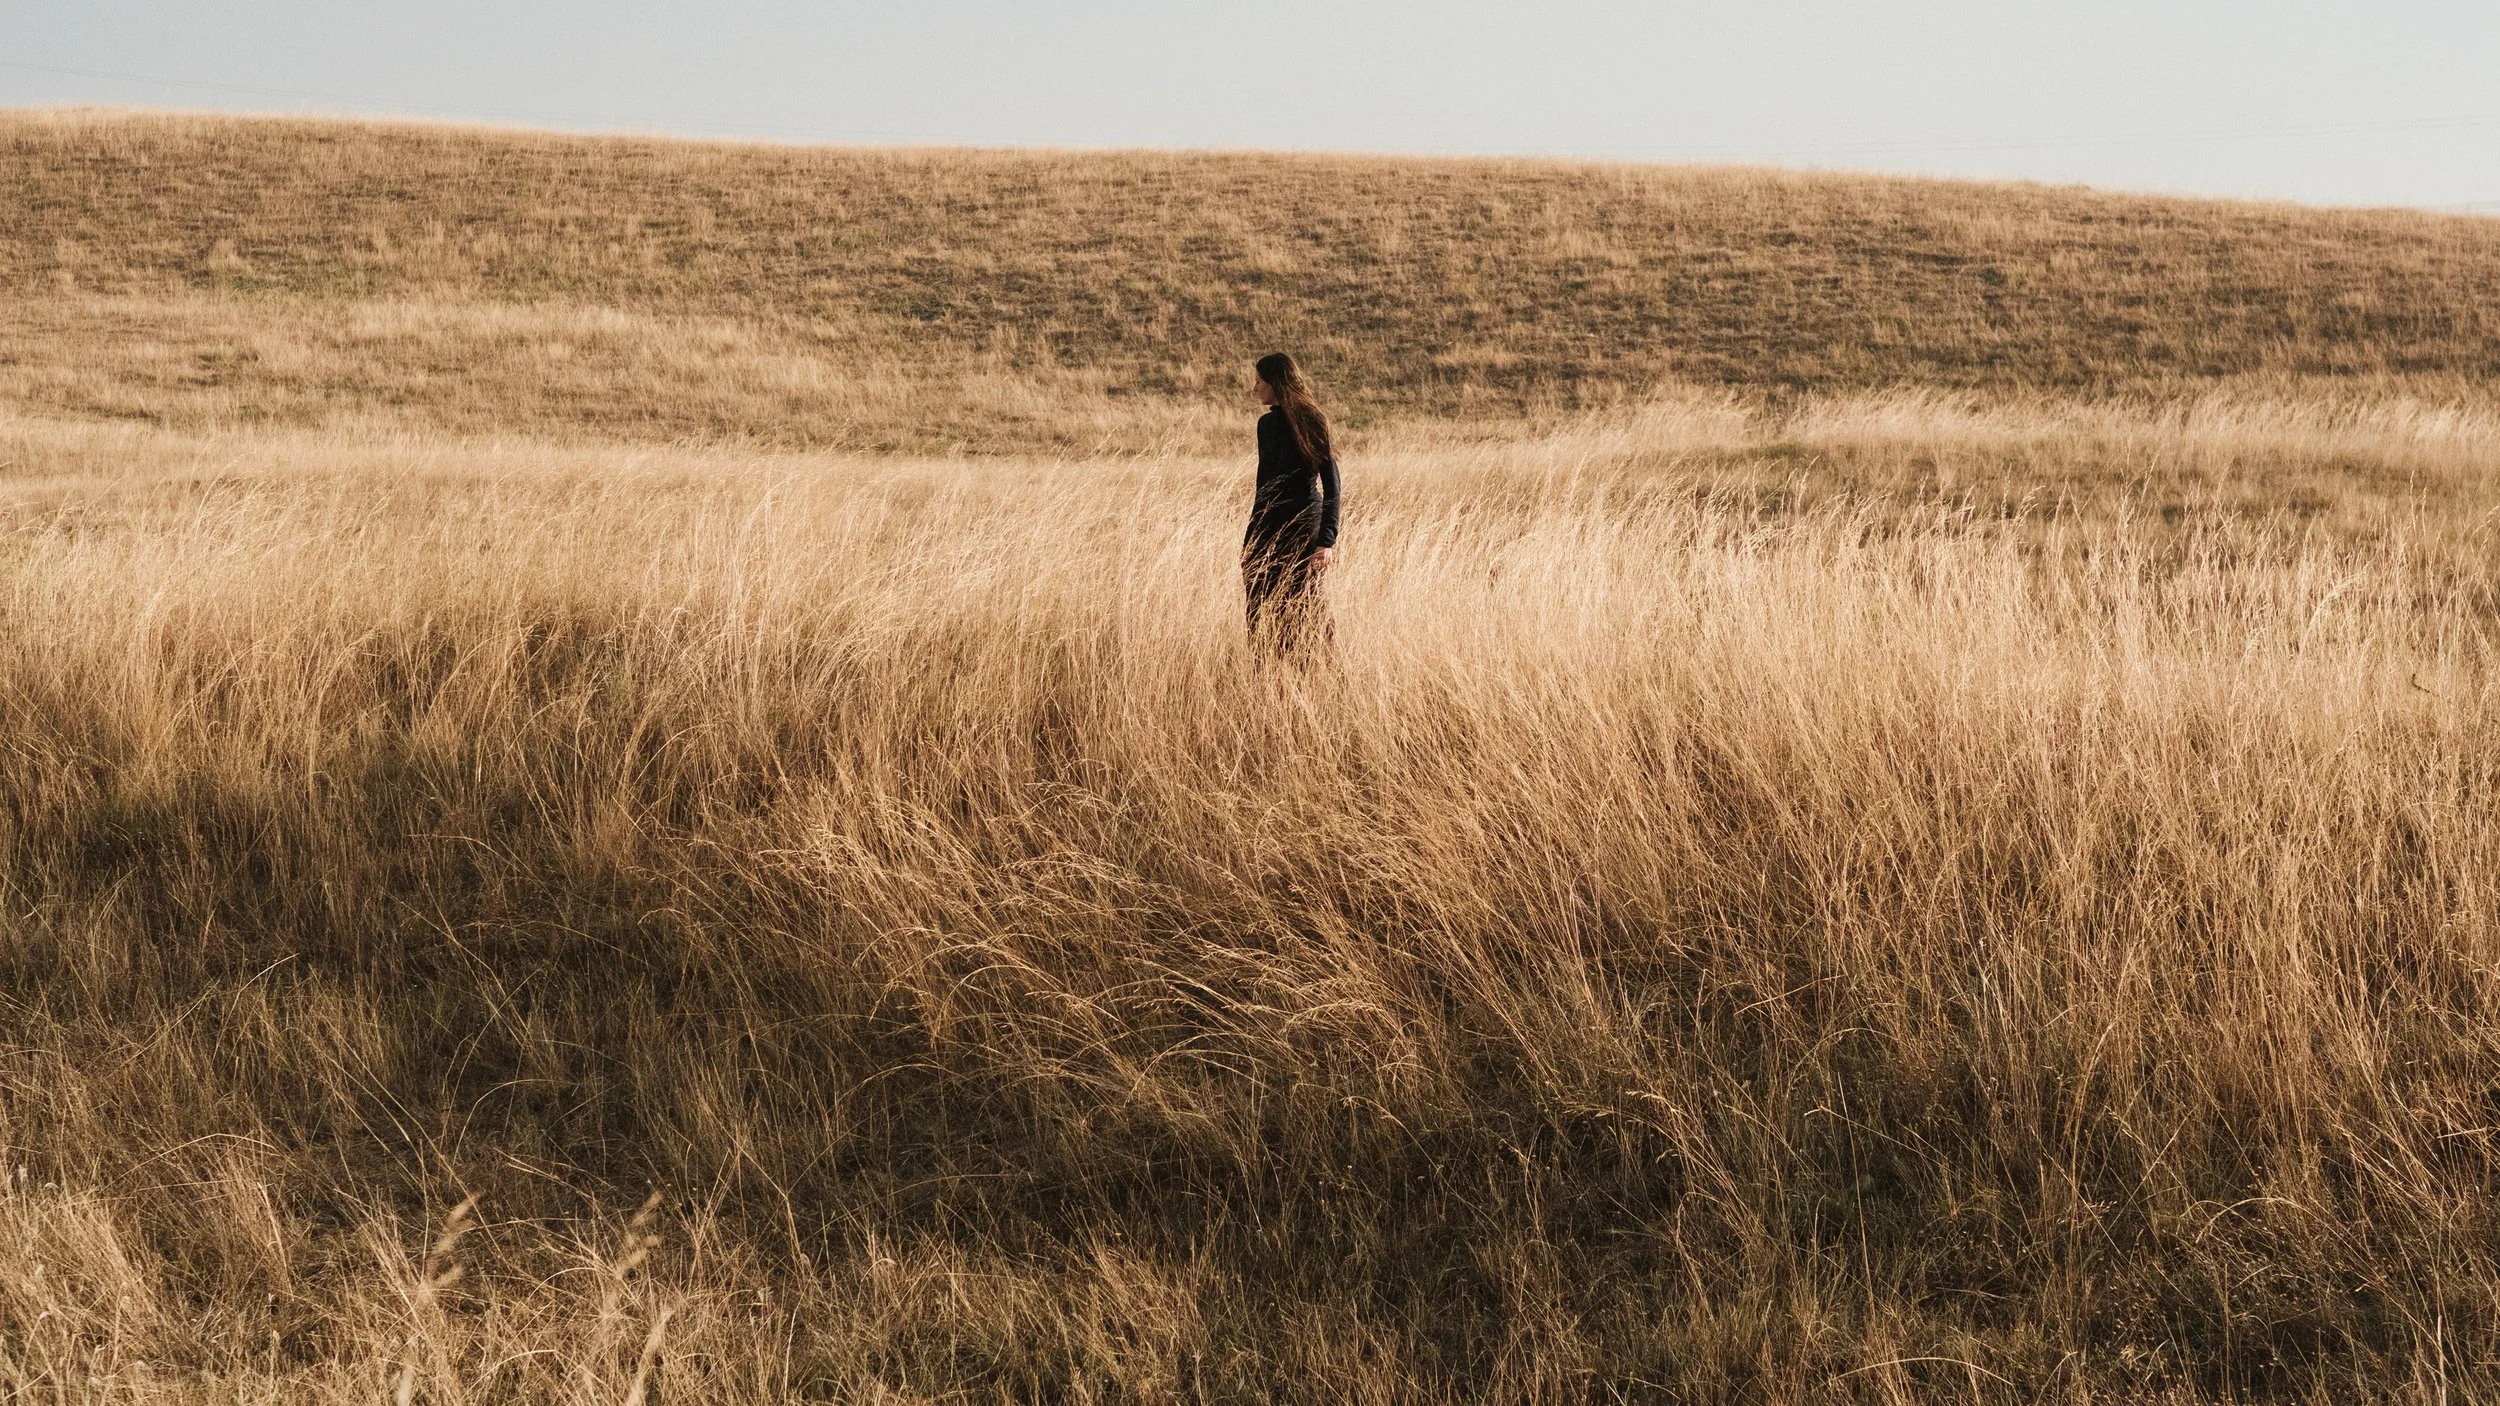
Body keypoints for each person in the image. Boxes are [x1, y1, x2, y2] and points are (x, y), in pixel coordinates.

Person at [1241, 352, 1342, 656]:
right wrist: (1250, 540)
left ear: (1274, 383)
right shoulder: (1266, 425)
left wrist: (1326, 541)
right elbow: (1265, 487)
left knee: (1306, 604)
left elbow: (1333, 485)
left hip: (1304, 528)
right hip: (1268, 527)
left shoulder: (1313, 420)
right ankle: (1267, 670)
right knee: (1259, 605)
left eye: (1259, 381)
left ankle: (1322, 670)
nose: (1255, 387)